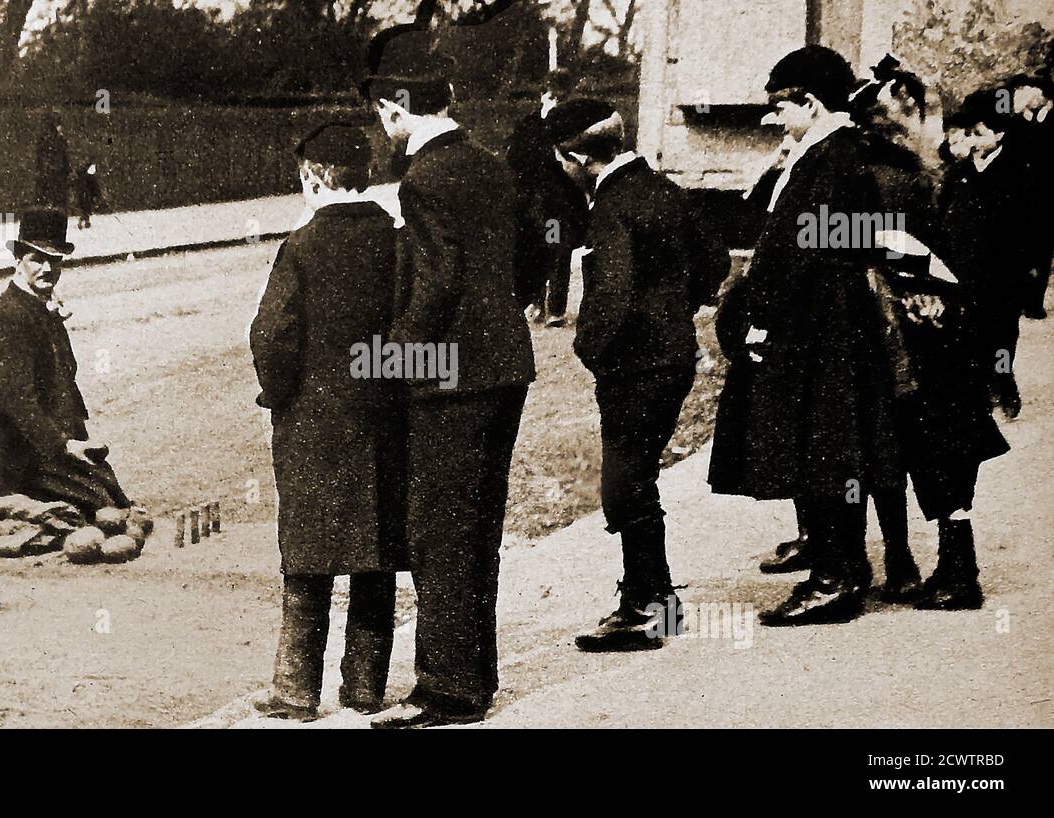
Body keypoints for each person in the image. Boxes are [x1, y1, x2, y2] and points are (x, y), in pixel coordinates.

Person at [363, 25, 536, 728]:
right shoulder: (491, 164)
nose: (383, 125)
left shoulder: (424, 179)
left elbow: (436, 286)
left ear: (399, 106)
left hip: (452, 380)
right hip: (504, 368)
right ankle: (474, 674)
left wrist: (392, 362)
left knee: (440, 529)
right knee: (480, 525)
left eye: (383, 111)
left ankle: (447, 689)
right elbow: (532, 255)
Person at [709, 46, 903, 626]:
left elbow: (801, 255)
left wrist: (761, 318)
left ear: (812, 103)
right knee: (824, 442)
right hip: (828, 319)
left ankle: (835, 579)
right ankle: (839, 563)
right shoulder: (834, 154)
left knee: (826, 445)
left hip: (818, 325)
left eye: (780, 107)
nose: (773, 120)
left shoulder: (834, 161)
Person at [546, 100, 727, 651]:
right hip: (672, 355)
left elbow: (613, 294)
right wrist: (677, 309)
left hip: (635, 365)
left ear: (577, 156)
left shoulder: (611, 205)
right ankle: (656, 599)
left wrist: (589, 347)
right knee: (637, 479)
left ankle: (646, 608)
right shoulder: (666, 189)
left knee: (625, 486)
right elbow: (715, 260)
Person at [248, 122, 405, 722]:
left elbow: (271, 334)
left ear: (314, 178)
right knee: (377, 550)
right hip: (385, 419)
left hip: (314, 424)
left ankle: (295, 691)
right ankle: (365, 688)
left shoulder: (301, 248)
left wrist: (279, 392)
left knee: (308, 553)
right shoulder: (396, 241)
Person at [851, 62, 1010, 608]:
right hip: (946, 331)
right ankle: (953, 568)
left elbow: (908, 253)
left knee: (935, 448)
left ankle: (958, 575)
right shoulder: (929, 174)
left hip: (921, 335)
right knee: (947, 451)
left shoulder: (887, 180)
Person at [0, 209, 129, 523]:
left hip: (50, 442)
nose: (47, 269)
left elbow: (63, 379)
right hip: (18, 452)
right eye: (37, 259)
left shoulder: (40, 304)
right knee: (93, 509)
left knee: (113, 497)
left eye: (55, 261)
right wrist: (64, 445)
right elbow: (16, 401)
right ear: (18, 259)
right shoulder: (10, 318)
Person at [938, 90, 1033, 421]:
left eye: (979, 134)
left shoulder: (1017, 173)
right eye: (969, 134)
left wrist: (1028, 268)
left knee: (1003, 335)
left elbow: (1031, 226)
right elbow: (941, 219)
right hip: (965, 271)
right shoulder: (957, 174)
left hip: (1004, 274)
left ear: (999, 133)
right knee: (970, 333)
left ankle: (1004, 381)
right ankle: (981, 388)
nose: (973, 141)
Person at [507, 68, 588, 327]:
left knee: (559, 251)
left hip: (559, 204)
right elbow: (513, 161)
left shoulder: (571, 128)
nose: (556, 105)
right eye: (552, 98)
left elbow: (582, 166)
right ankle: (536, 303)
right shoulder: (528, 126)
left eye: (561, 100)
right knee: (534, 251)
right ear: (543, 96)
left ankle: (555, 309)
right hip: (532, 202)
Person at [1002, 74, 1053, 319]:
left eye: (1033, 92)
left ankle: (1034, 302)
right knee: (1020, 246)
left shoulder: (1050, 121)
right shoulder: (1017, 123)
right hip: (1021, 195)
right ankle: (1020, 296)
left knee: (1041, 249)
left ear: (1044, 97)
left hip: (1045, 195)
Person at [35, 111, 71, 212]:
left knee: (54, 194)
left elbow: (63, 155)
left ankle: (53, 208)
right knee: (55, 194)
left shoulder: (53, 139)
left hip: (55, 170)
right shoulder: (54, 140)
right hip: (55, 171)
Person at [75, 158, 105, 230]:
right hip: (86, 194)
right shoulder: (88, 177)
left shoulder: (82, 176)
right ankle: (84, 220)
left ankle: (84, 220)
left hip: (83, 194)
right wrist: (98, 195)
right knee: (86, 208)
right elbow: (95, 187)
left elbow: (95, 187)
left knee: (85, 208)